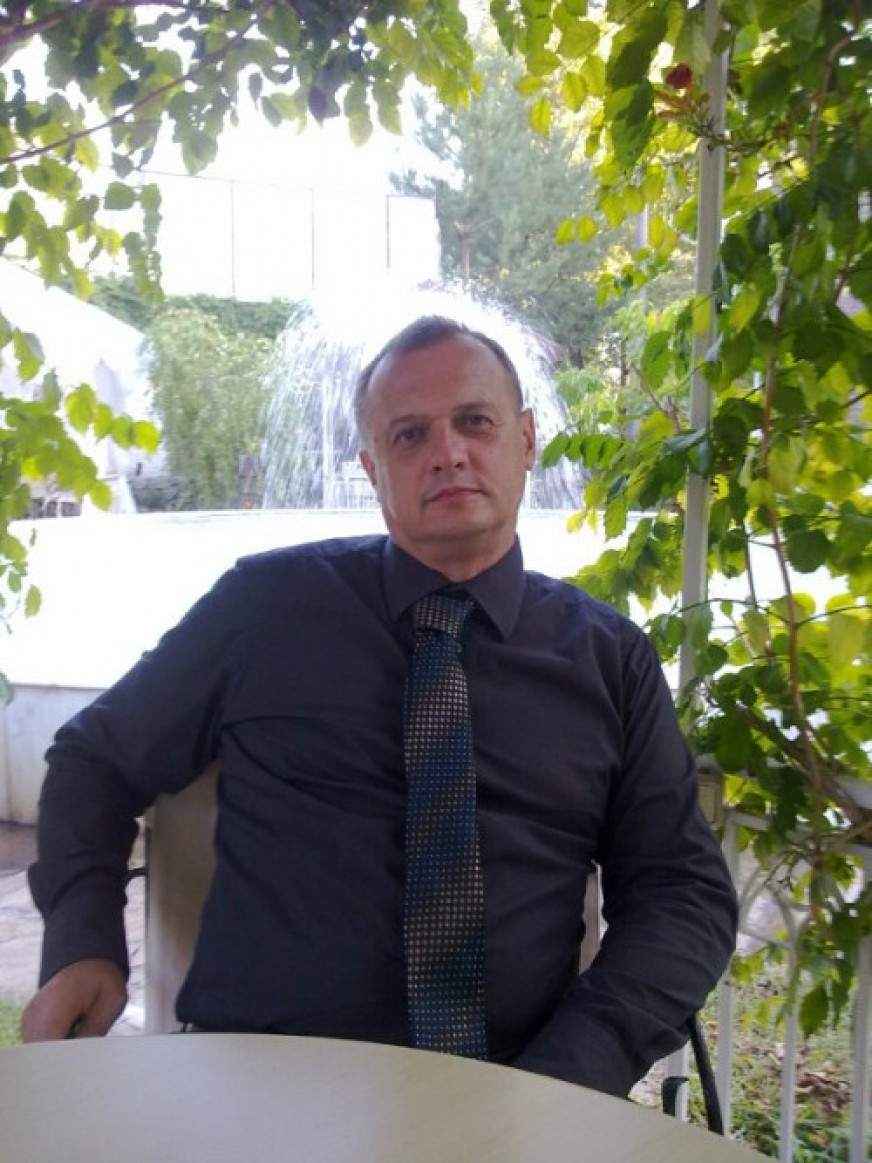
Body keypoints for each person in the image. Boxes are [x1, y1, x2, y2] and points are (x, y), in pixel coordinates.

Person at [22, 316, 738, 1099]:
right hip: (260, 1093)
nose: (448, 452)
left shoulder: (609, 659)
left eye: (475, 421)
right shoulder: (265, 609)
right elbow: (96, 760)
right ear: (372, 467)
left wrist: (574, 1071)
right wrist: (82, 942)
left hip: (517, 1096)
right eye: (409, 434)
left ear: (527, 440)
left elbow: (681, 890)